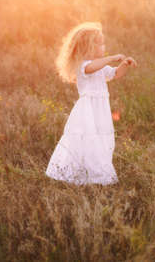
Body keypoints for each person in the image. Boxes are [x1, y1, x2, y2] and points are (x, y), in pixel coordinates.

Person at [45, 21, 137, 185]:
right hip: (87, 111)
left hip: (100, 111)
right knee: (85, 139)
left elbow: (115, 74)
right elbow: (91, 68)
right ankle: (74, 174)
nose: (103, 47)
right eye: (100, 44)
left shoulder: (100, 67)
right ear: (88, 47)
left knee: (99, 141)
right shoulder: (83, 66)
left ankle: (95, 175)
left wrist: (124, 64)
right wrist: (112, 57)